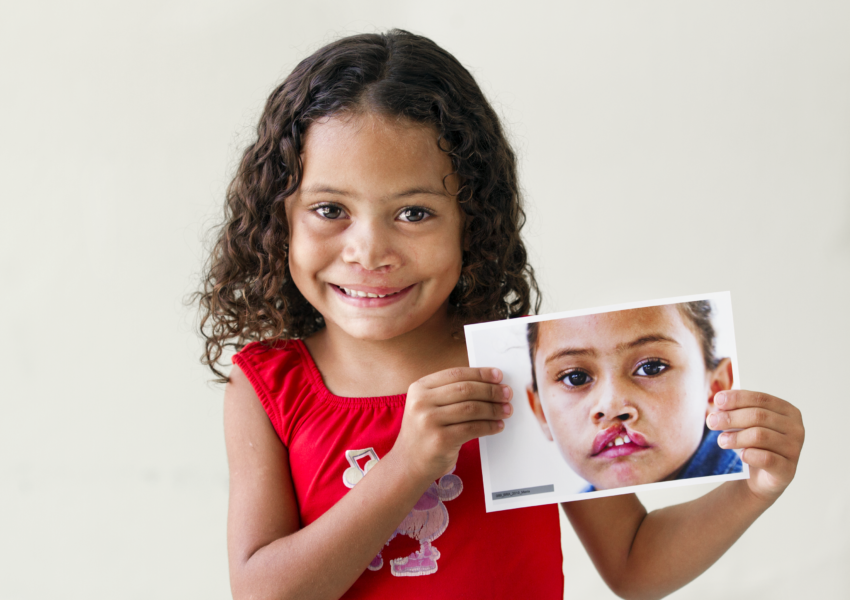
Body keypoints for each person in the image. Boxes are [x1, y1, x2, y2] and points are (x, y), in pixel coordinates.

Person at [196, 30, 805, 600]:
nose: (369, 253)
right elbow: (262, 591)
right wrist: (410, 462)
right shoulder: (267, 386)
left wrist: (752, 490)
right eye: (330, 209)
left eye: (413, 213)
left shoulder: (521, 370)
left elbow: (635, 563)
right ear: (280, 218)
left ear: (473, 221)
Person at [525, 301, 743, 493]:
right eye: (576, 378)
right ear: (542, 412)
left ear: (715, 389)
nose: (611, 406)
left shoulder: (755, 479)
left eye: (651, 368)